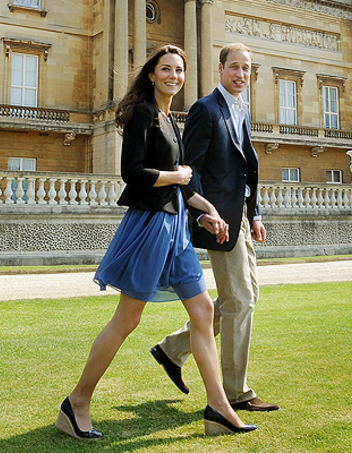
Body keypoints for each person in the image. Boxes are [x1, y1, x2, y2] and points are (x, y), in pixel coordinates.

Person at [55, 44, 256, 439]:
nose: (174, 77)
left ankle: (218, 407)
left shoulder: (169, 118)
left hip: (177, 226)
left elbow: (181, 184)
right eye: (166, 69)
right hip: (151, 226)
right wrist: (177, 177)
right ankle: (76, 402)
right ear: (151, 74)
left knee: (203, 311)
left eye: (179, 71)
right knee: (127, 319)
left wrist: (207, 210)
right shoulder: (143, 114)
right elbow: (132, 172)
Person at [150, 42, 280, 412]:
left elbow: (246, 169)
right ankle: (236, 393)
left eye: (246, 68)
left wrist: (255, 214)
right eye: (234, 67)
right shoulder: (206, 109)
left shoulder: (242, 109)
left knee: (242, 297)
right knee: (240, 300)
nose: (241, 74)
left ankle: (172, 348)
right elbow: (191, 170)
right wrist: (204, 214)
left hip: (240, 217)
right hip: (218, 220)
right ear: (221, 69)